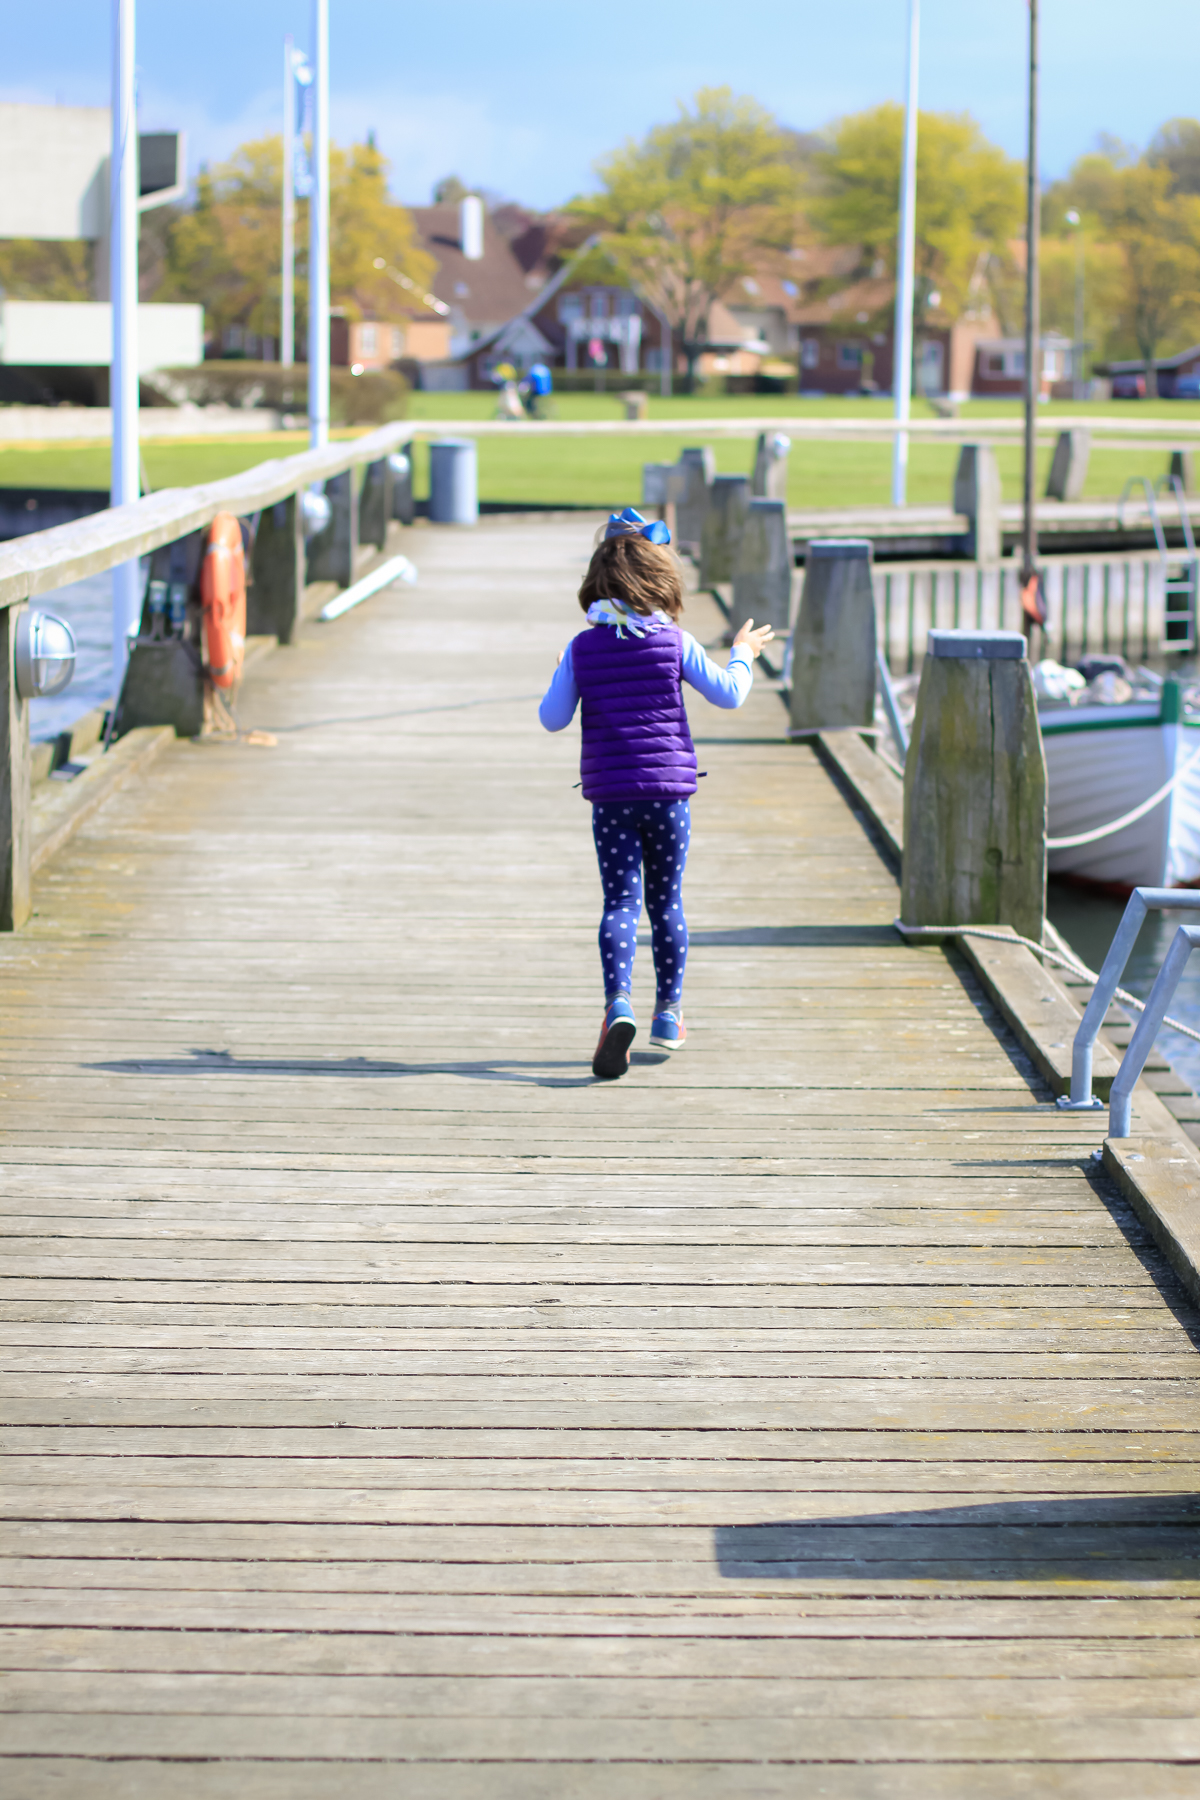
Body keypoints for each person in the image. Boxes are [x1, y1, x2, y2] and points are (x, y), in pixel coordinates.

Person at [538, 507, 774, 1079]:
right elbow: (728, 695)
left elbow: (551, 718)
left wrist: (568, 668)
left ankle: (618, 1005)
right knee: (665, 902)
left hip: (610, 795)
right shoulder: (674, 641)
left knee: (620, 903)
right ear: (660, 581)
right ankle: (668, 1014)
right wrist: (743, 652)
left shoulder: (582, 646)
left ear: (596, 583)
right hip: (669, 795)